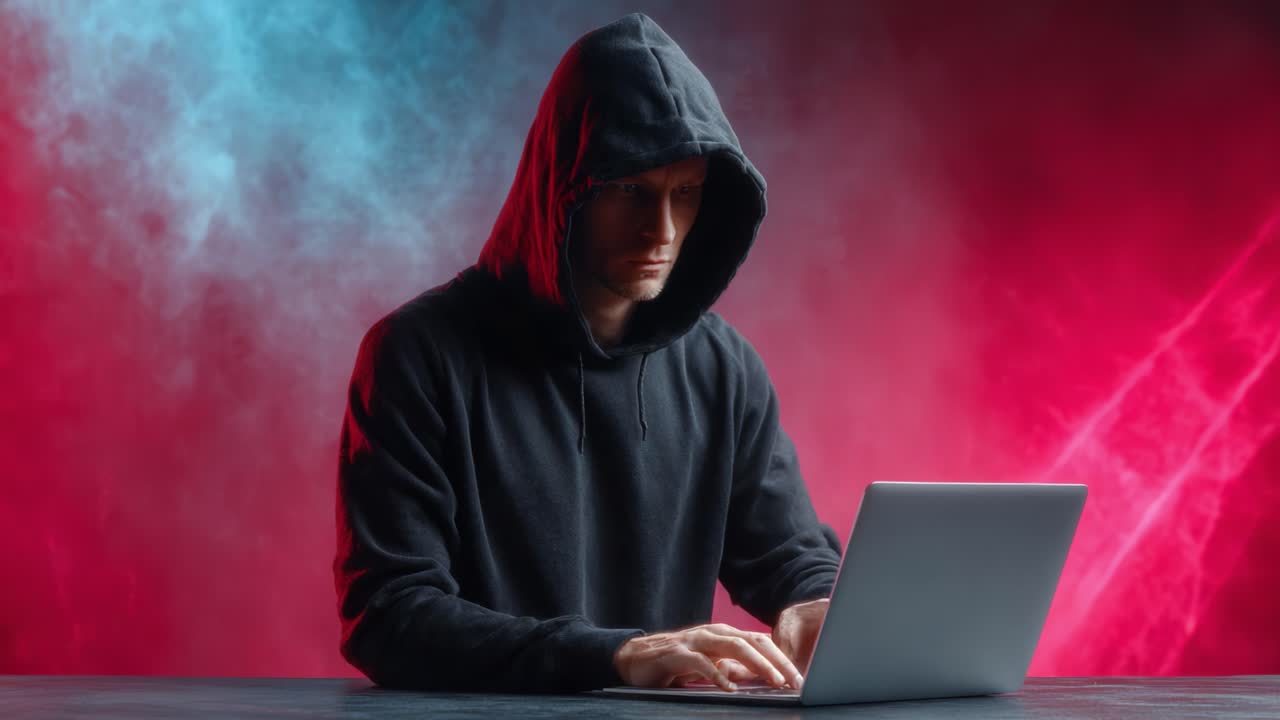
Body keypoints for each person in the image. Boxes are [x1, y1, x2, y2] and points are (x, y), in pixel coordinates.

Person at [334, 12, 842, 694]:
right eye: (629, 190)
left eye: (685, 194)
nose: (661, 229)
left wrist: (819, 604)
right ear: (563, 187)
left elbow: (789, 556)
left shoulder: (725, 370)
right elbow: (388, 615)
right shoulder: (416, 358)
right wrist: (615, 657)